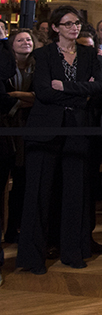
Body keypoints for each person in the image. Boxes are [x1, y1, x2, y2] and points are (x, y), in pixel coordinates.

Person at [17, 6, 102, 274]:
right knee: (39, 192)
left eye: (77, 23)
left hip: (78, 128)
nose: (74, 28)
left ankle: (73, 252)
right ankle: (33, 258)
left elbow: (100, 86)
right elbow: (43, 92)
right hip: (45, 129)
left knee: (76, 192)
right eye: (67, 24)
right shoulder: (43, 54)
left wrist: (65, 86)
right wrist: (81, 91)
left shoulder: (90, 54)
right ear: (55, 27)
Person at [1, 30, 34, 245]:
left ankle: (16, 228)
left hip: (29, 127)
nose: (25, 43)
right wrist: (23, 99)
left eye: (29, 39)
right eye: (20, 40)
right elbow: (4, 99)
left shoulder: (37, 66)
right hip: (7, 127)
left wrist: (16, 97)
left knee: (22, 182)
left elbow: (39, 97)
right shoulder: (4, 67)